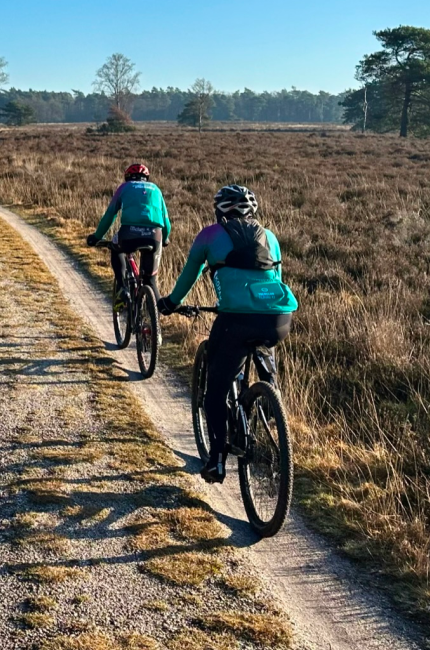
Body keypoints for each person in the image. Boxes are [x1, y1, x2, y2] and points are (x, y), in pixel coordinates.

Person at [157, 185, 298, 484]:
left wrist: (171, 303)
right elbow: (276, 280)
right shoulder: (270, 237)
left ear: (219, 211)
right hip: (278, 318)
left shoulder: (209, 235)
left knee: (215, 391)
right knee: (262, 344)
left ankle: (217, 459)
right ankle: (270, 397)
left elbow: (190, 275)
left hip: (235, 320)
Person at [85, 164, 173, 302]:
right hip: (155, 236)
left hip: (129, 233)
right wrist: (165, 239)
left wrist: (97, 237)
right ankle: (156, 318)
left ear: (127, 178)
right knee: (150, 281)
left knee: (115, 247)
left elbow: (110, 215)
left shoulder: (124, 187)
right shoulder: (156, 189)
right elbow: (166, 223)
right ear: (146, 178)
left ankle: (122, 288)